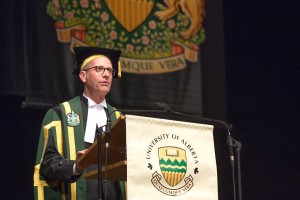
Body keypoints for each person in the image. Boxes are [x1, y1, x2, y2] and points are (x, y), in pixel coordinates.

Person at [33, 47, 125, 200]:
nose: (107, 74)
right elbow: (47, 164)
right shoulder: (60, 114)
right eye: (99, 69)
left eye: (110, 70)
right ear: (83, 76)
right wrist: (76, 166)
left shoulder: (118, 117)